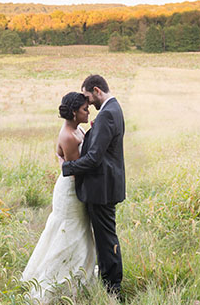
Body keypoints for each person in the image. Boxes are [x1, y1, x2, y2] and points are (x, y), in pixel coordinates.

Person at [21, 92, 96, 303]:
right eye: (84, 109)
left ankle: (80, 273)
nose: (87, 111)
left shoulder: (77, 129)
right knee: (70, 230)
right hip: (71, 190)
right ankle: (60, 279)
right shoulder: (69, 136)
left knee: (79, 231)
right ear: (74, 112)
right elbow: (76, 170)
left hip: (73, 187)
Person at [62, 74, 125, 298]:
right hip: (105, 185)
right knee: (106, 237)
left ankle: (112, 289)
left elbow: (95, 158)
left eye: (88, 97)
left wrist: (66, 168)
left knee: (106, 240)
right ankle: (110, 283)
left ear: (97, 90)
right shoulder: (113, 109)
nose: (87, 103)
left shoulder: (107, 114)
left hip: (102, 188)